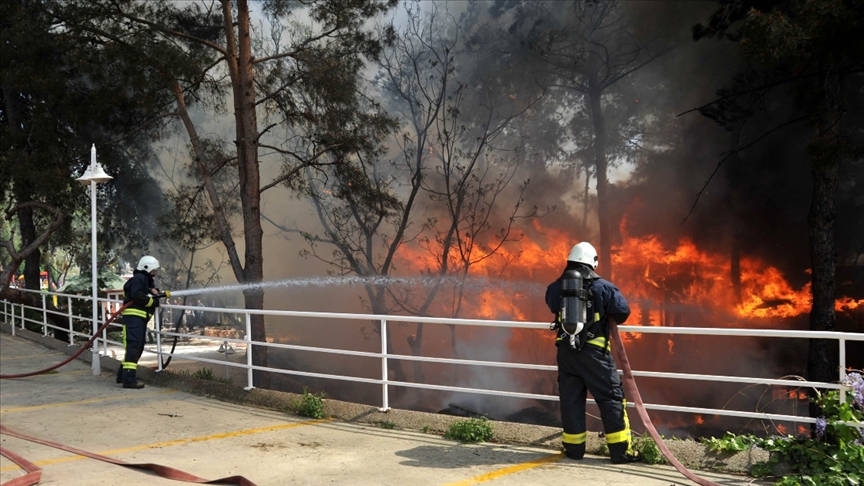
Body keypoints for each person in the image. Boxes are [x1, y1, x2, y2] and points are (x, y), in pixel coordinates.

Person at [545, 241, 640, 464]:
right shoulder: (603, 287)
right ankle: (620, 452)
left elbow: (551, 305)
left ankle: (574, 450)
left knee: (571, 400)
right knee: (611, 398)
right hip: (595, 353)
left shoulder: (556, 287)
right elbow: (622, 311)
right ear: (593, 262)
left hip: (567, 353)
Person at [116, 255, 166, 389]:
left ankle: (123, 376)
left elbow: (143, 293)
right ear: (147, 268)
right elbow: (137, 296)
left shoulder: (144, 280)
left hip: (138, 319)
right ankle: (129, 380)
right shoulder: (139, 279)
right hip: (134, 319)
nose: (154, 272)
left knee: (135, 347)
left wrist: (152, 291)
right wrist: (153, 301)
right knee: (134, 347)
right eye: (153, 270)